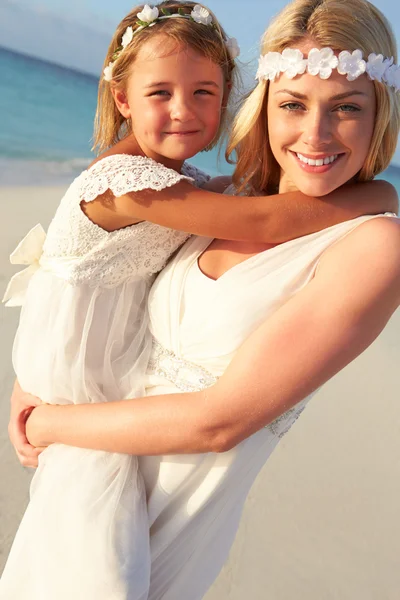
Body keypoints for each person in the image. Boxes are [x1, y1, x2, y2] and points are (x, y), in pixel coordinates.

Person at [4, 1, 400, 600]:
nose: (316, 134)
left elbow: (221, 424)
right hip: (77, 480)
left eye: (347, 108)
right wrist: (40, 379)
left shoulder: (374, 246)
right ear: (265, 103)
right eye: (293, 104)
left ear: (381, 116)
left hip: (170, 520)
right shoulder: (218, 196)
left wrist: (50, 421)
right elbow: (104, 289)